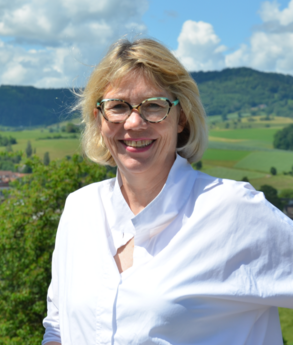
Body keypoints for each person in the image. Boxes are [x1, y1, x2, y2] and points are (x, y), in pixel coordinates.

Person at [42, 38, 293, 345]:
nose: (134, 122)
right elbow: (58, 328)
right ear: (99, 118)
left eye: (153, 106)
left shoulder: (234, 210)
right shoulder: (80, 210)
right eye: (118, 106)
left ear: (181, 118)